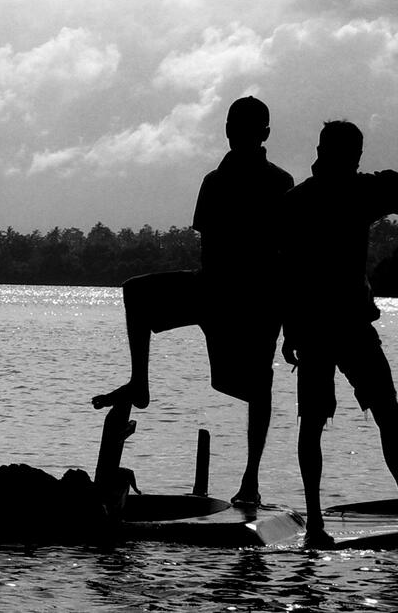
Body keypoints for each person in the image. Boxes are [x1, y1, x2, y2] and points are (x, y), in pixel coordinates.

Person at [92, 96, 293, 506]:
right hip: (212, 289)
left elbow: (284, 254)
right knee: (136, 292)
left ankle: (250, 478)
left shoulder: (279, 183)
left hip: (256, 300)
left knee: (249, 383)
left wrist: (289, 323)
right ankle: (140, 382)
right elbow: (210, 240)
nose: (239, 138)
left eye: (248, 131)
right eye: (234, 130)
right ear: (227, 132)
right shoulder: (215, 181)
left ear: (264, 135)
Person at [281, 120, 398, 547]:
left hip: (323, 325)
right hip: (341, 324)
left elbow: (285, 274)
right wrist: (391, 181)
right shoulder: (357, 190)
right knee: (379, 417)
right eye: (353, 154)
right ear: (341, 154)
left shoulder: (304, 198)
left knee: (328, 422)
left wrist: (289, 329)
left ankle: (319, 521)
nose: (355, 161)